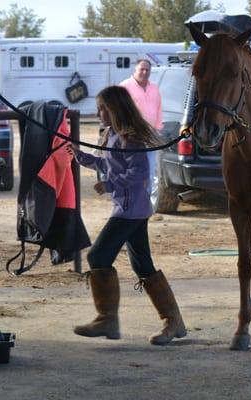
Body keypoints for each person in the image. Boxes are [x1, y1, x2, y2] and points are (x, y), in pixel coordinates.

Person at [69, 85, 186, 346]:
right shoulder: (112, 135)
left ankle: (107, 319)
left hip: (131, 210)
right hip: (129, 208)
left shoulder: (130, 138)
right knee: (142, 265)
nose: (99, 113)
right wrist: (80, 156)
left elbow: (138, 172)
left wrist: (110, 185)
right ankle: (173, 321)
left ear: (116, 109)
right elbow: (107, 164)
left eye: (103, 108)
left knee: (97, 255)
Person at [119, 59, 163, 198]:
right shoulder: (124, 87)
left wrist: (158, 128)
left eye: (147, 70)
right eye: (141, 69)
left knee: (149, 172)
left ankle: (145, 203)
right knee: (130, 170)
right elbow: (118, 112)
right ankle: (128, 200)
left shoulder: (154, 88)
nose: (144, 72)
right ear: (135, 70)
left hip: (150, 137)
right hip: (131, 138)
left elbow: (159, 108)